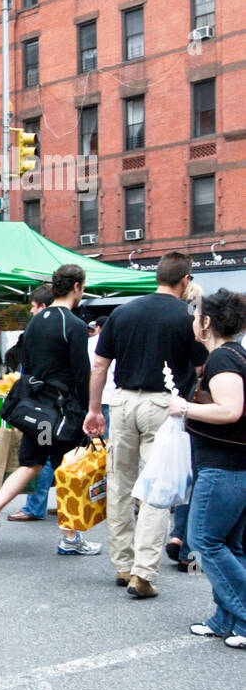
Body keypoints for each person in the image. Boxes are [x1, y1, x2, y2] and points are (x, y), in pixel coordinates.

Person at [84, 252, 207, 597]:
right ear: (185, 280)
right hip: (163, 405)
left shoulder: (122, 312)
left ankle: (123, 564)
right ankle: (143, 572)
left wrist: (94, 409)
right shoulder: (187, 316)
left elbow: (99, 366)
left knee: (119, 483)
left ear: (158, 276)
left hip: (122, 402)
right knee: (158, 487)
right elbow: (200, 369)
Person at [0, 264, 99, 556]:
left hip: (37, 412)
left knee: (33, 463)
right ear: (77, 287)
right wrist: (88, 412)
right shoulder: (75, 325)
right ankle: (70, 539)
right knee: (68, 468)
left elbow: (25, 363)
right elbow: (82, 373)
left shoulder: (36, 322)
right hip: (63, 413)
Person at [169, 288, 246, 648]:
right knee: (230, 544)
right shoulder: (237, 355)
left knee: (205, 541)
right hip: (234, 468)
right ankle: (225, 619)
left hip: (223, 468)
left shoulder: (222, 359)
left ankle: (242, 614)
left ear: (208, 322)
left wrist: (184, 408)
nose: (194, 321)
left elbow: (230, 410)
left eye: (197, 314)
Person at [6, 286, 56, 522]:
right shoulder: (61, 329)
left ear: (43, 307)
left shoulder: (41, 334)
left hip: (43, 406)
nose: (32, 310)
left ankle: (35, 507)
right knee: (50, 456)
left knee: (41, 457)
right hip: (50, 405)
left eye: (34, 306)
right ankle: (59, 503)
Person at [86, 316, 116, 436]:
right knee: (108, 435)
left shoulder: (88, 342)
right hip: (111, 394)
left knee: (93, 434)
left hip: (92, 395)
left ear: (98, 328)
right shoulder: (114, 341)